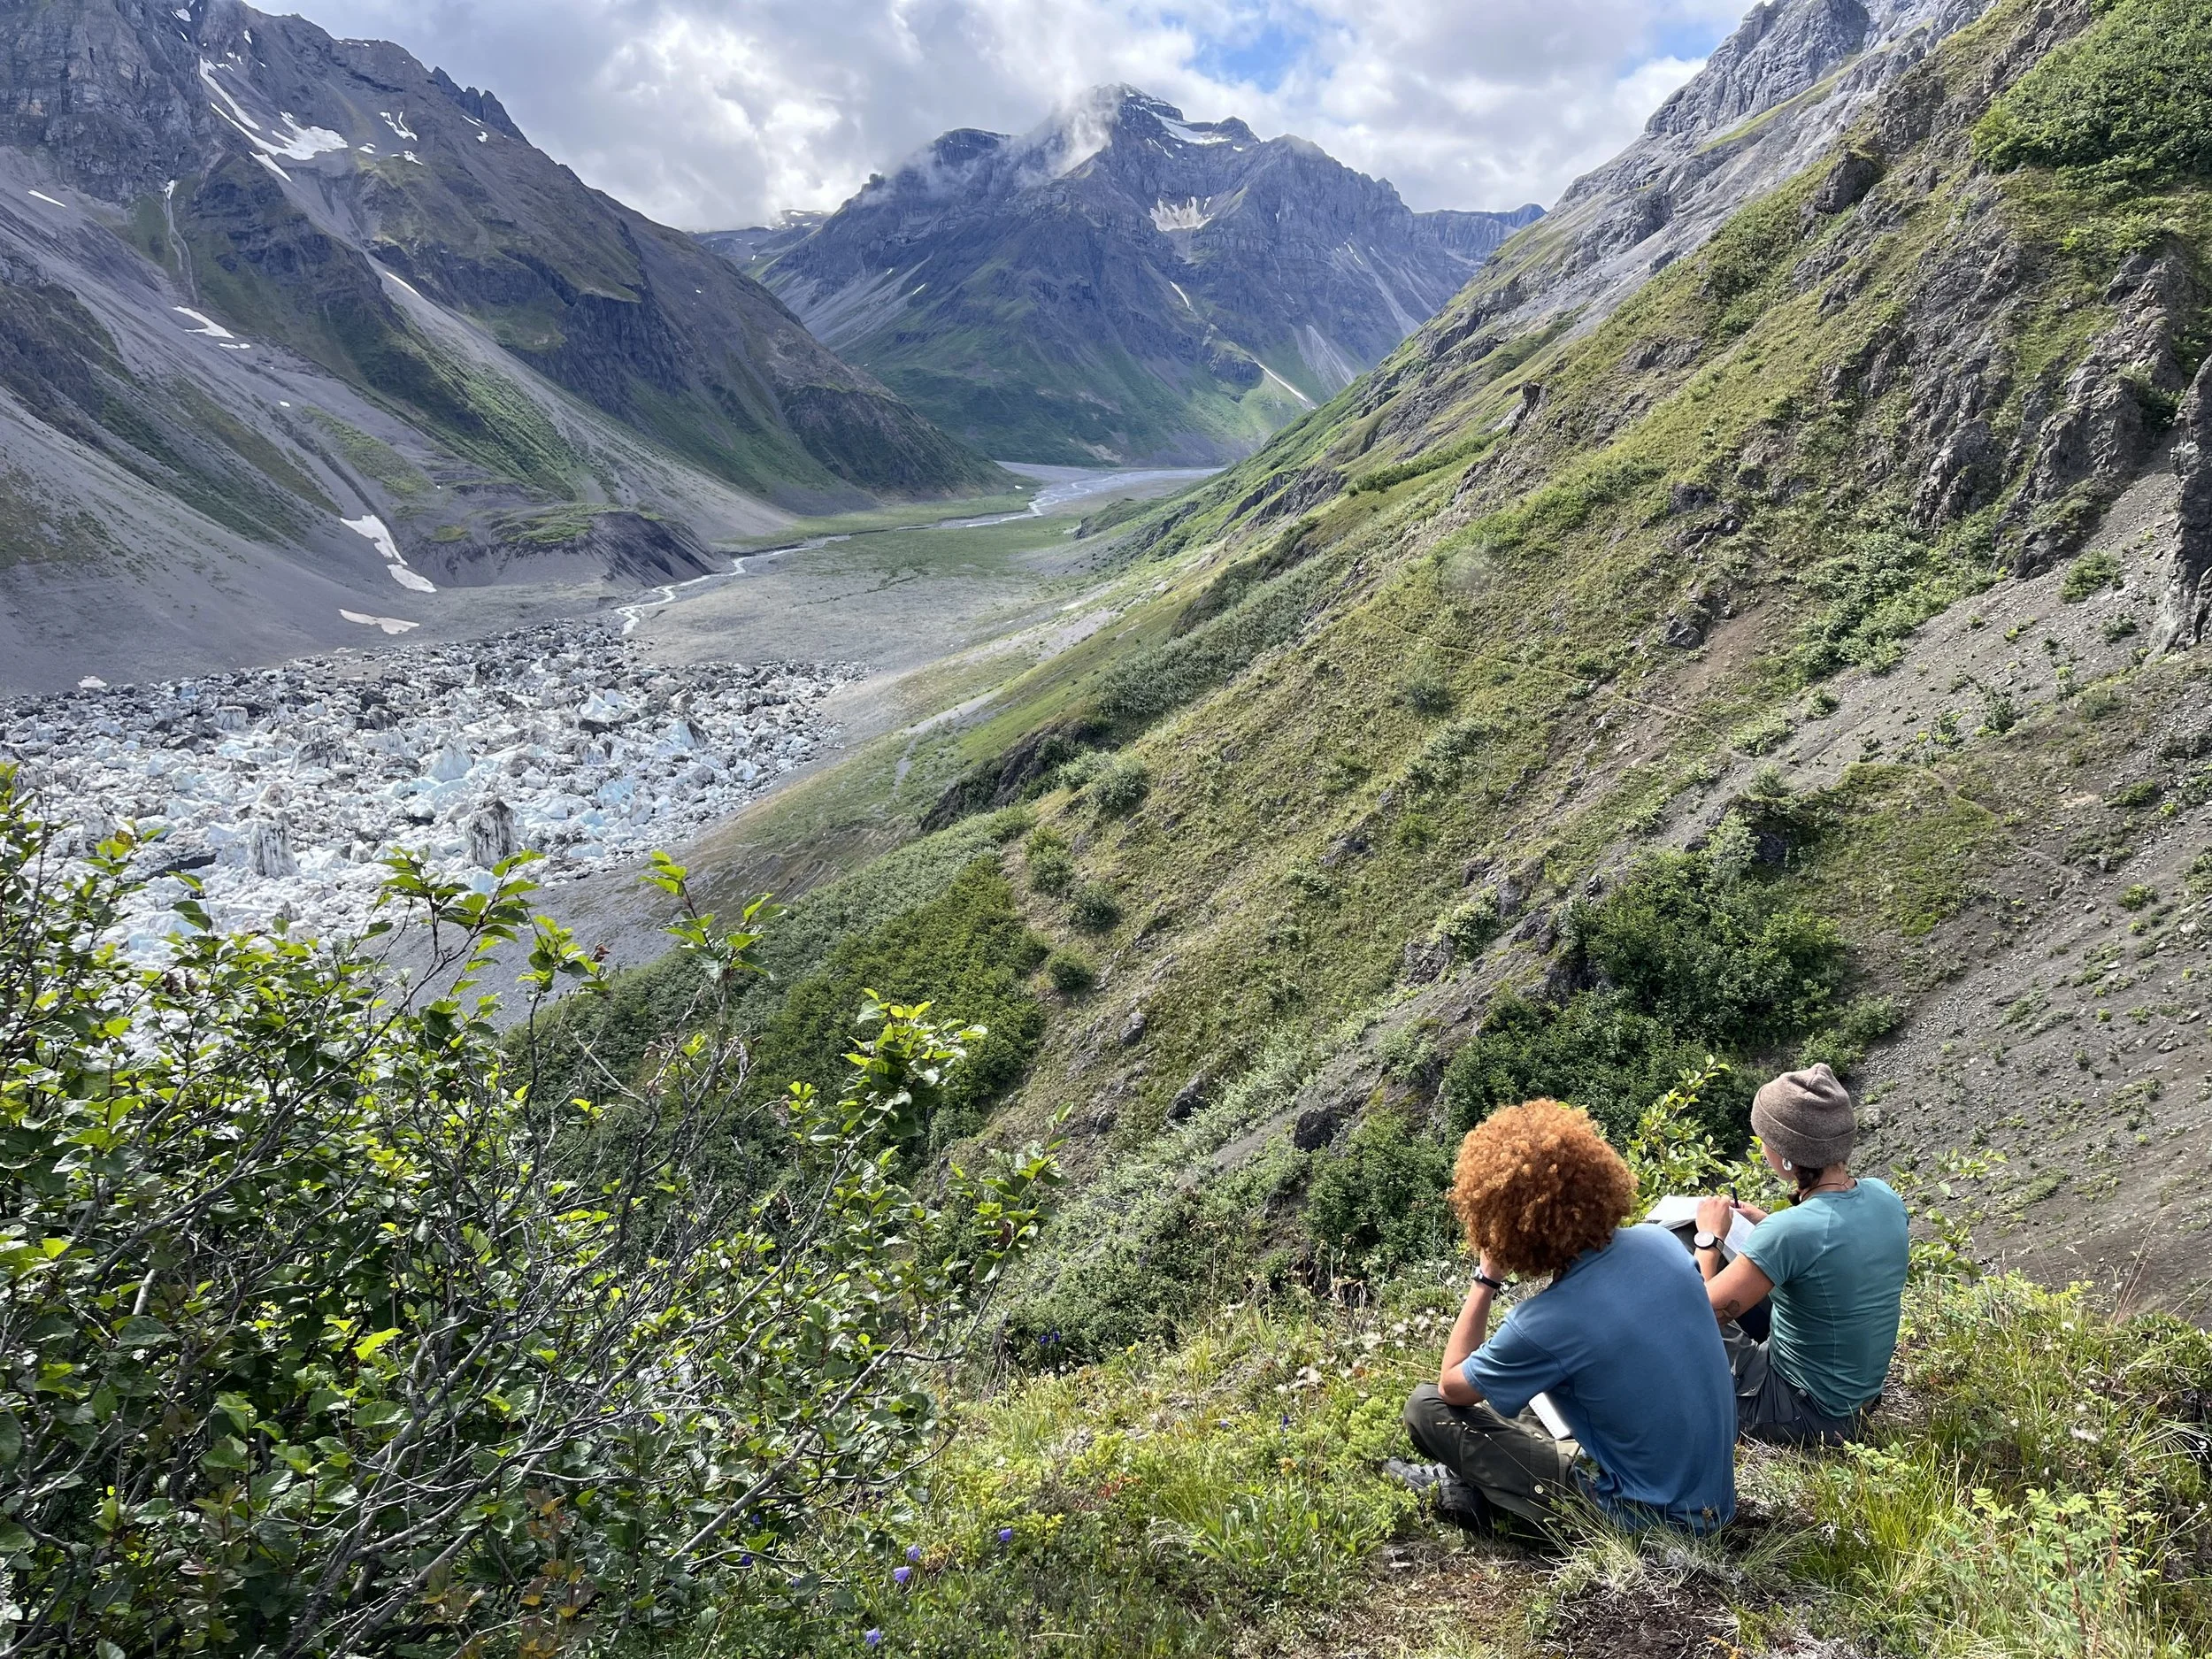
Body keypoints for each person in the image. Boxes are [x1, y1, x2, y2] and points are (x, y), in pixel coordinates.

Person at [1394, 1099, 1737, 1537]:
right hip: (1714, 1504)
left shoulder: (1543, 1324)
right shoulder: (1661, 1244)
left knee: (1427, 1409)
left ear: (1501, 1226)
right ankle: (1472, 1485)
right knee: (1532, 1397)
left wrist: (1485, 1280)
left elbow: (1451, 1388)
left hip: (1649, 1526)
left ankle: (1474, 1487)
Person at [1694, 1063, 1909, 1446]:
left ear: (1788, 1154)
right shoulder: (1884, 1195)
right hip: (1856, 1399)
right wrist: (1765, 1225)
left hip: (1804, 1414)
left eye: (1764, 1139)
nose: (1761, 1148)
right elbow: (1833, 1254)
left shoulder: (1792, 1231)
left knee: (1668, 1327)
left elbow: (1700, 1315)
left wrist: (1709, 1239)